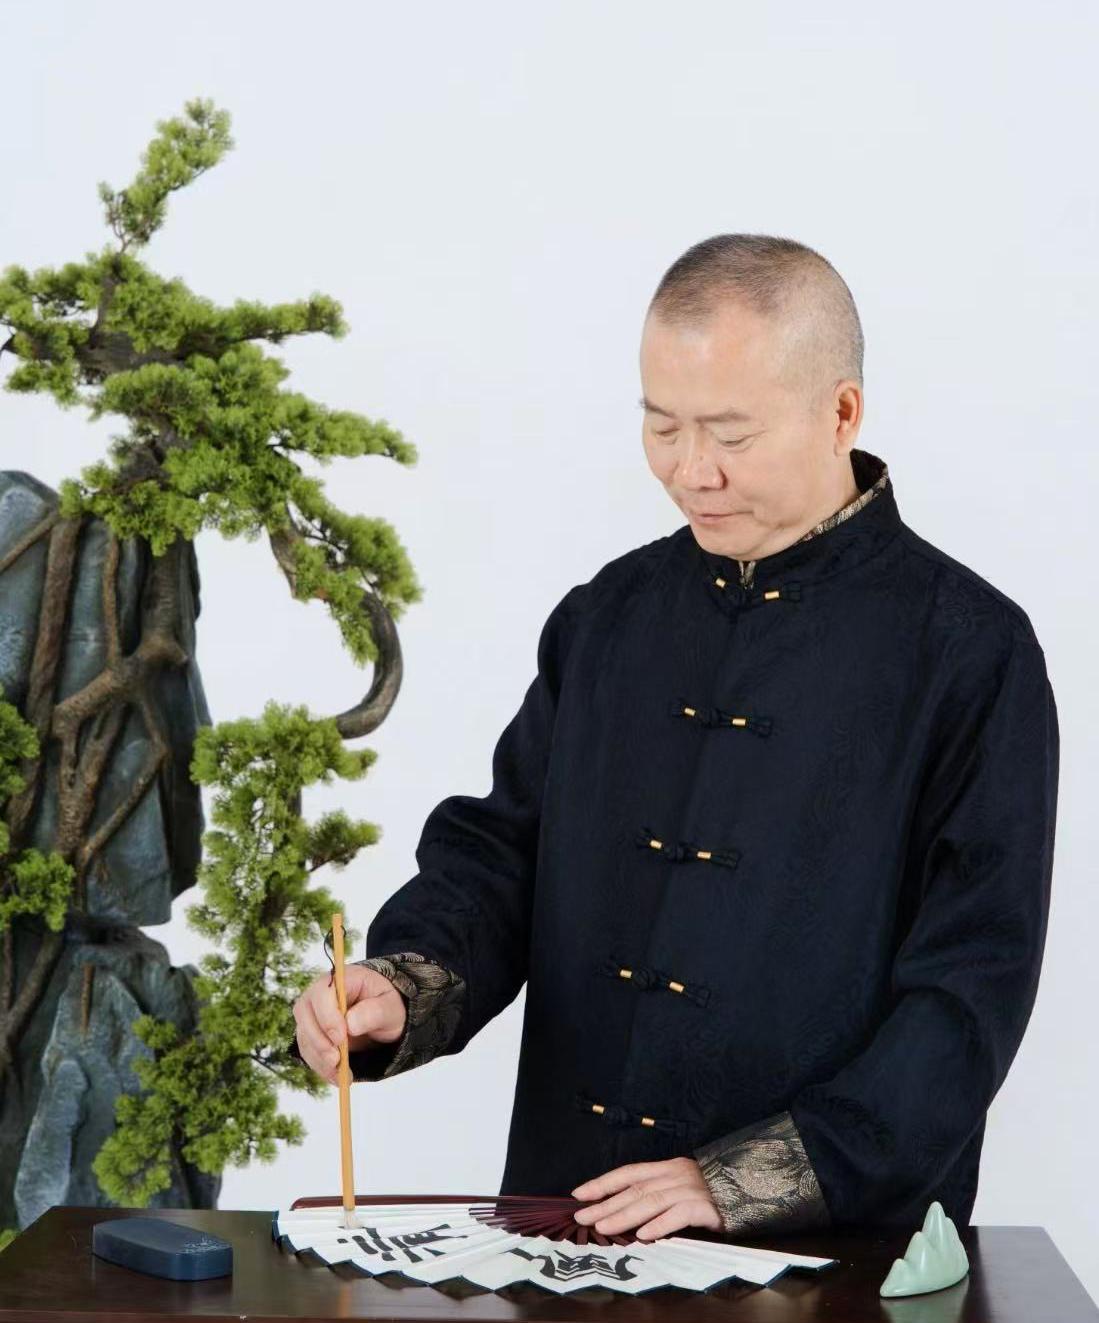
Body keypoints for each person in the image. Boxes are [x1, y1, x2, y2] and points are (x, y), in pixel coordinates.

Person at [291, 233, 1059, 1240]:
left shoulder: (967, 649)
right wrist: (402, 985)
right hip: (569, 1224)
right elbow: (502, 855)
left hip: (830, 1253)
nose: (692, 471)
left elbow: (969, 991)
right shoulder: (608, 614)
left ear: (840, 412)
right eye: (661, 426)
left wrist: (739, 1178)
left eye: (731, 435)